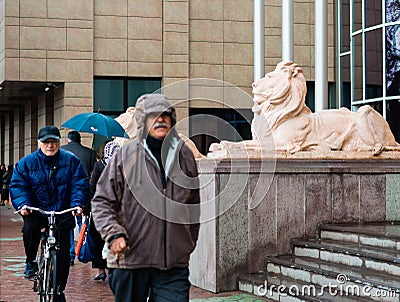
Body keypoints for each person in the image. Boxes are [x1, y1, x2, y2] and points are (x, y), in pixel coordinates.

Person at [92, 94, 200, 302]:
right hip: (131, 260)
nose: (160, 120)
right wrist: (114, 235)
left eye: (165, 116)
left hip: (173, 265)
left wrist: (186, 243)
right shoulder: (125, 156)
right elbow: (102, 200)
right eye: (153, 116)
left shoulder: (185, 156)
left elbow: (193, 205)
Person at [10, 126, 89, 302]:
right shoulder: (27, 163)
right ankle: (31, 261)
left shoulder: (71, 161)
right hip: (37, 211)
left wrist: (77, 204)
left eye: (53, 141)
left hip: (62, 212)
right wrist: (23, 204)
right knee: (30, 229)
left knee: (63, 257)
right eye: (46, 142)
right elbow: (18, 185)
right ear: (39, 143)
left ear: (59, 142)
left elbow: (80, 184)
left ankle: (59, 289)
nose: (50, 145)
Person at [61, 130, 97, 265]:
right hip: (83, 192)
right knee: (83, 221)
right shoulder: (90, 153)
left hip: (65, 192)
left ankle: (70, 253)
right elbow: (94, 175)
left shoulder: (62, 151)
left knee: (68, 223)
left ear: (67, 140)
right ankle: (84, 248)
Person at [89, 140, 120, 281]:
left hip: (101, 209)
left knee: (98, 240)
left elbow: (93, 187)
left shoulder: (99, 165)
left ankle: (100, 270)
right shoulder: (123, 165)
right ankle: (114, 268)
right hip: (117, 208)